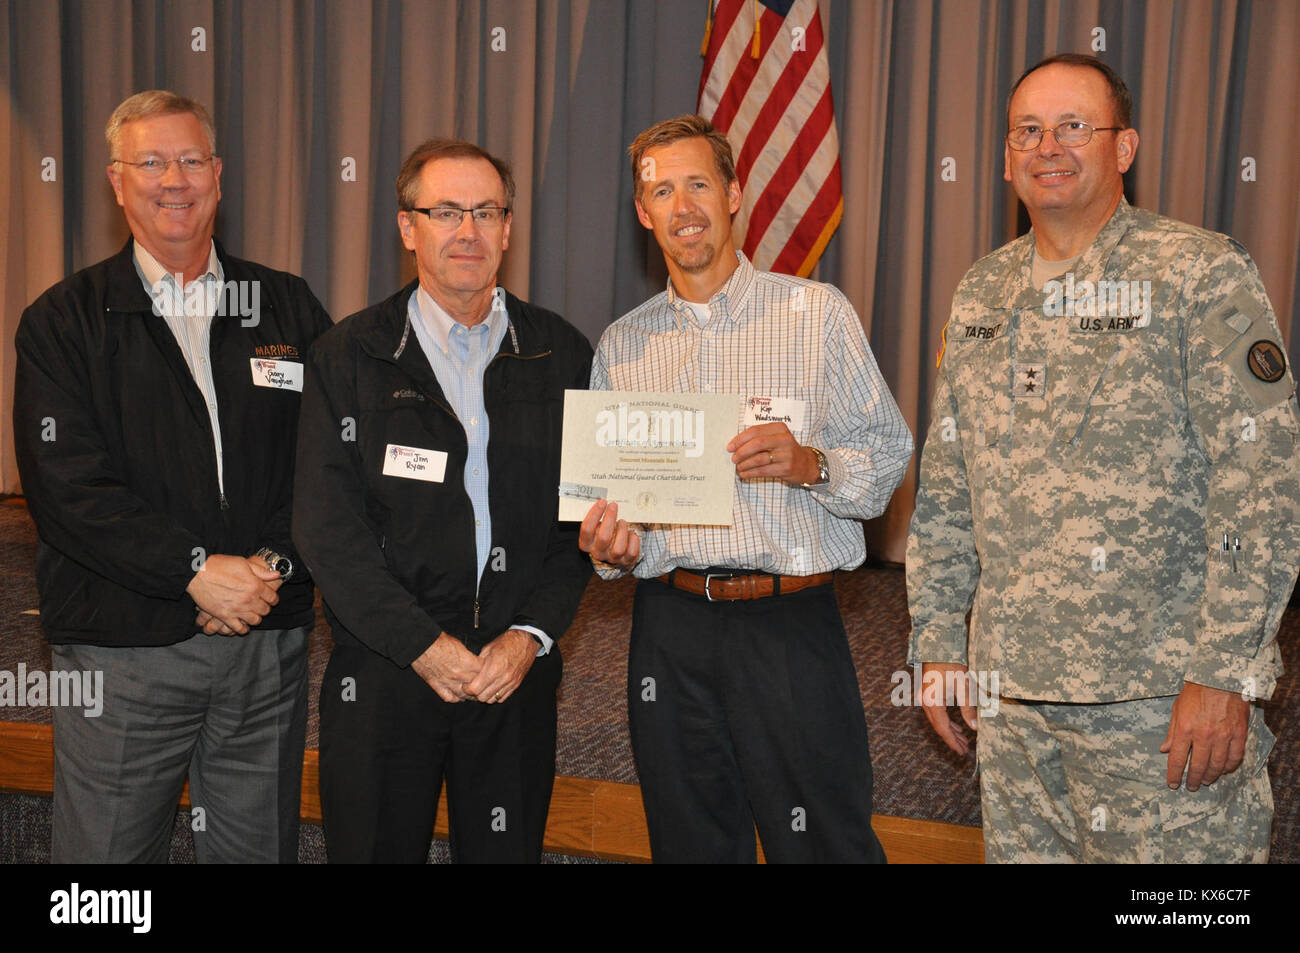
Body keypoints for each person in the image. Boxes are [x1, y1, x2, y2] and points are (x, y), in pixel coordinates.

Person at [906, 54, 1300, 863]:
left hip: (1157, 704)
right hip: (1012, 705)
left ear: (1124, 148)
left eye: (1074, 126)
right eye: (1028, 130)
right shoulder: (982, 293)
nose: (1049, 146)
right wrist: (940, 641)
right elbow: (948, 486)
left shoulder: (1200, 273)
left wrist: (1226, 670)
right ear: (1006, 155)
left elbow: (1260, 480)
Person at [579, 115, 913, 863]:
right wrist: (607, 546)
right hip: (669, 631)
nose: (683, 205)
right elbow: (612, 527)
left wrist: (811, 464)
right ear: (643, 212)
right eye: (662, 190)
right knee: (690, 843)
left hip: (788, 627)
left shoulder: (816, 315)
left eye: (699, 183)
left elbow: (888, 457)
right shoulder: (621, 345)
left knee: (826, 844)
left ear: (736, 194)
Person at [13, 90, 332, 863]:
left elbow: (329, 463)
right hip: (125, 649)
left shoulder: (284, 305)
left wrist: (267, 570)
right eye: (151, 162)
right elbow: (67, 489)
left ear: (219, 176)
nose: (174, 180)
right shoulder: (65, 319)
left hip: (266, 640)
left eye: (191, 160)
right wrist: (196, 571)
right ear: (118, 183)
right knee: (105, 878)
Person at [293, 139, 593, 863]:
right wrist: (424, 646)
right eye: (446, 211)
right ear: (407, 227)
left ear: (509, 227)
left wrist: (530, 636)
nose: (468, 231)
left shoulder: (562, 353)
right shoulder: (348, 355)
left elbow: (580, 520)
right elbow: (328, 530)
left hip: (511, 674)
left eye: (486, 211)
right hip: (388, 672)